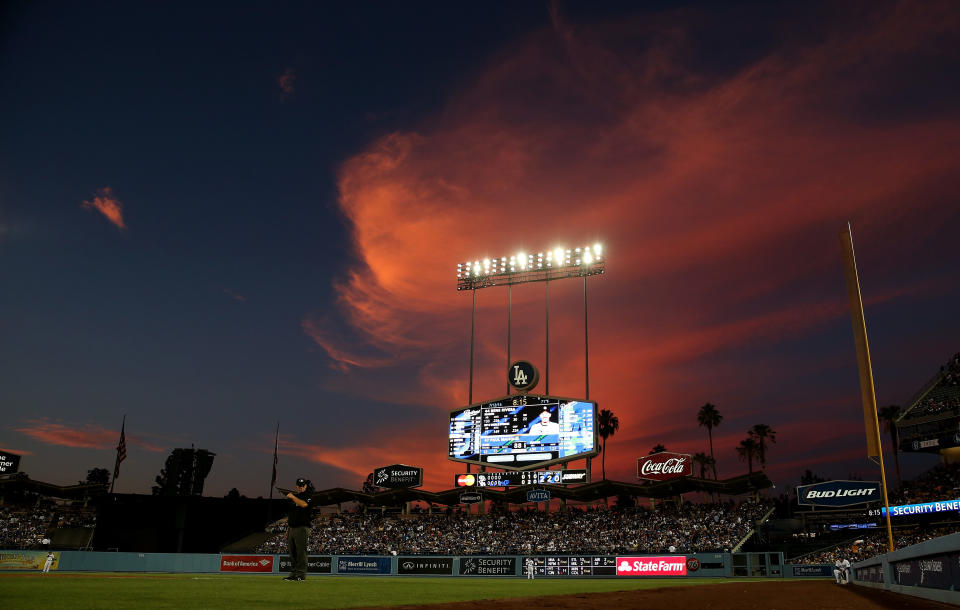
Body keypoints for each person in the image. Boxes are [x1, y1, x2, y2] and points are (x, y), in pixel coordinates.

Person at [283, 477, 312, 581]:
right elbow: (292, 515)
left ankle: (301, 575)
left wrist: (292, 496)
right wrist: (288, 529)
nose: (300, 487)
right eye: (299, 486)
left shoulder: (308, 495)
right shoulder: (294, 497)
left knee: (301, 552)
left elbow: (304, 504)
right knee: (292, 552)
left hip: (302, 528)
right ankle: (293, 574)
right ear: (296, 486)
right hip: (292, 528)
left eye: (302, 485)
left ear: (305, 486)